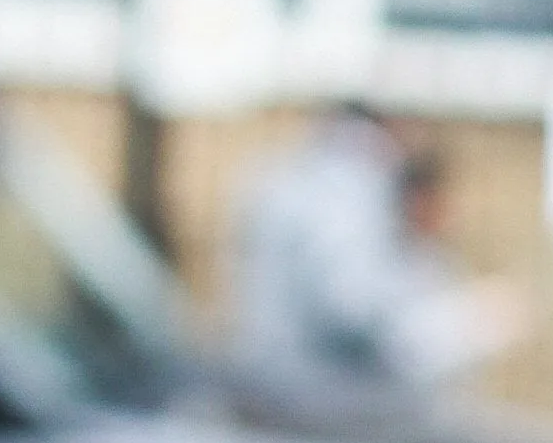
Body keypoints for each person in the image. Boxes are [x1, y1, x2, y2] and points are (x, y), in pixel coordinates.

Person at [224, 109, 523, 419]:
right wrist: (469, 322)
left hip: (284, 398)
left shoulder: (285, 174)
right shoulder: (352, 185)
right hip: (325, 412)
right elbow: (358, 318)